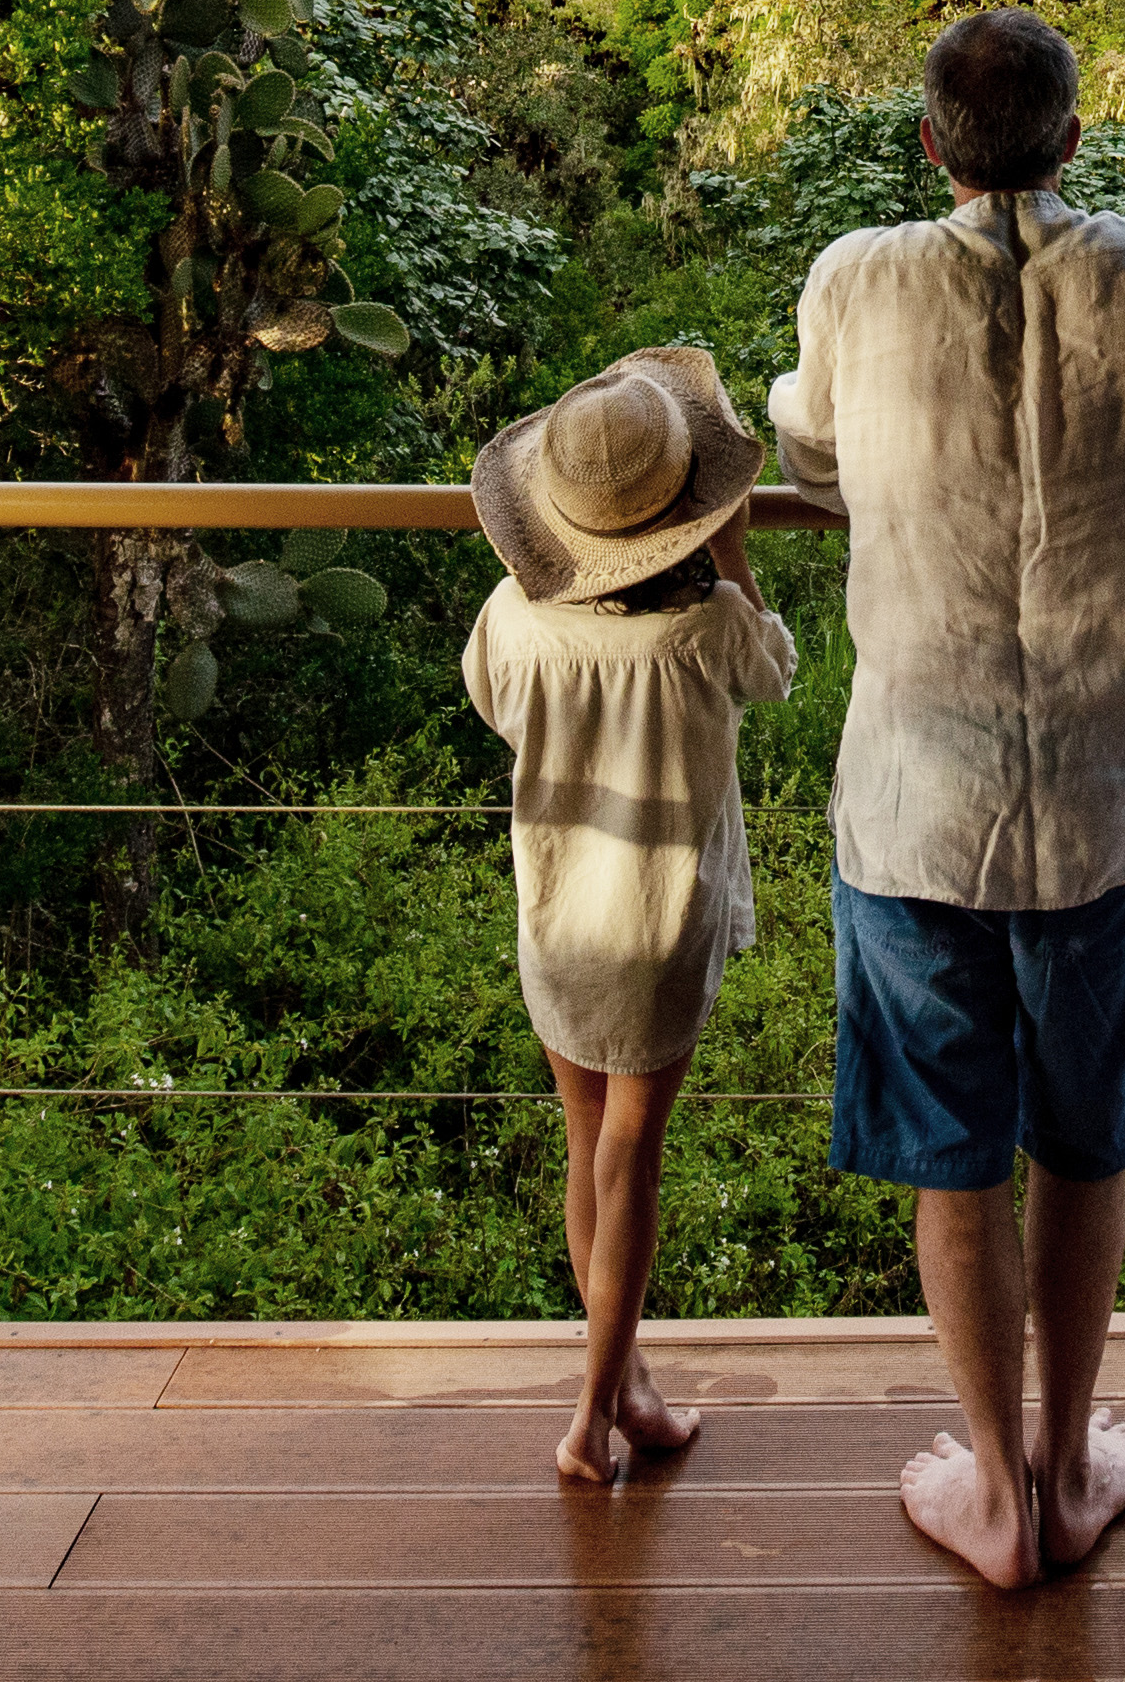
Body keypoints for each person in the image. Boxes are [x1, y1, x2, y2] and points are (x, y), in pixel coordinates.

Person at [773, 7, 1125, 1588]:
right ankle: (1070, 1462)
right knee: (1082, 1145)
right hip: (1109, 796)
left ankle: (994, 1492)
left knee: (951, 1151)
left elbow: (809, 460)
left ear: (933, 144)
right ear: (1072, 138)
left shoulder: (858, 276)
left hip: (916, 802)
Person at [464, 343, 796, 1487]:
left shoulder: (516, 617)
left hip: (558, 911)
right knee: (632, 1158)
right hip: (660, 925)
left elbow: (494, 703)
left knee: (585, 1143)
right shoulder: (706, 634)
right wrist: (740, 561)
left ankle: (628, 1382)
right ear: (690, 512)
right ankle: (594, 1414)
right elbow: (780, 670)